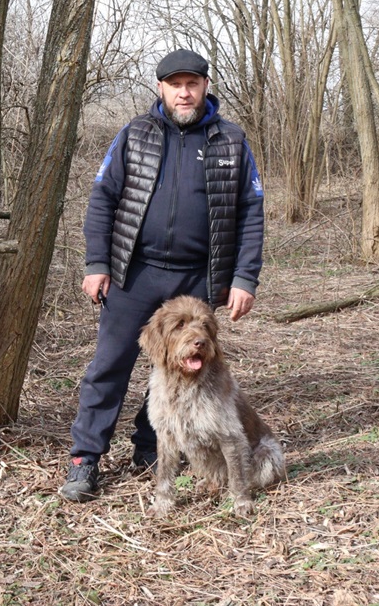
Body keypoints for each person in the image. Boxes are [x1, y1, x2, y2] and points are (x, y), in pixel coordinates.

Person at [60, 48, 264, 502]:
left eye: (193, 83)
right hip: (136, 272)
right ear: (161, 88)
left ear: (206, 87)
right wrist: (97, 264)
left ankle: (151, 447)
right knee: (109, 366)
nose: (184, 92)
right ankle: (85, 460)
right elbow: (102, 200)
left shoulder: (231, 140)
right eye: (176, 84)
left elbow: (252, 211)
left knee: (188, 367)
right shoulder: (135, 134)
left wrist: (244, 277)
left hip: (198, 279)